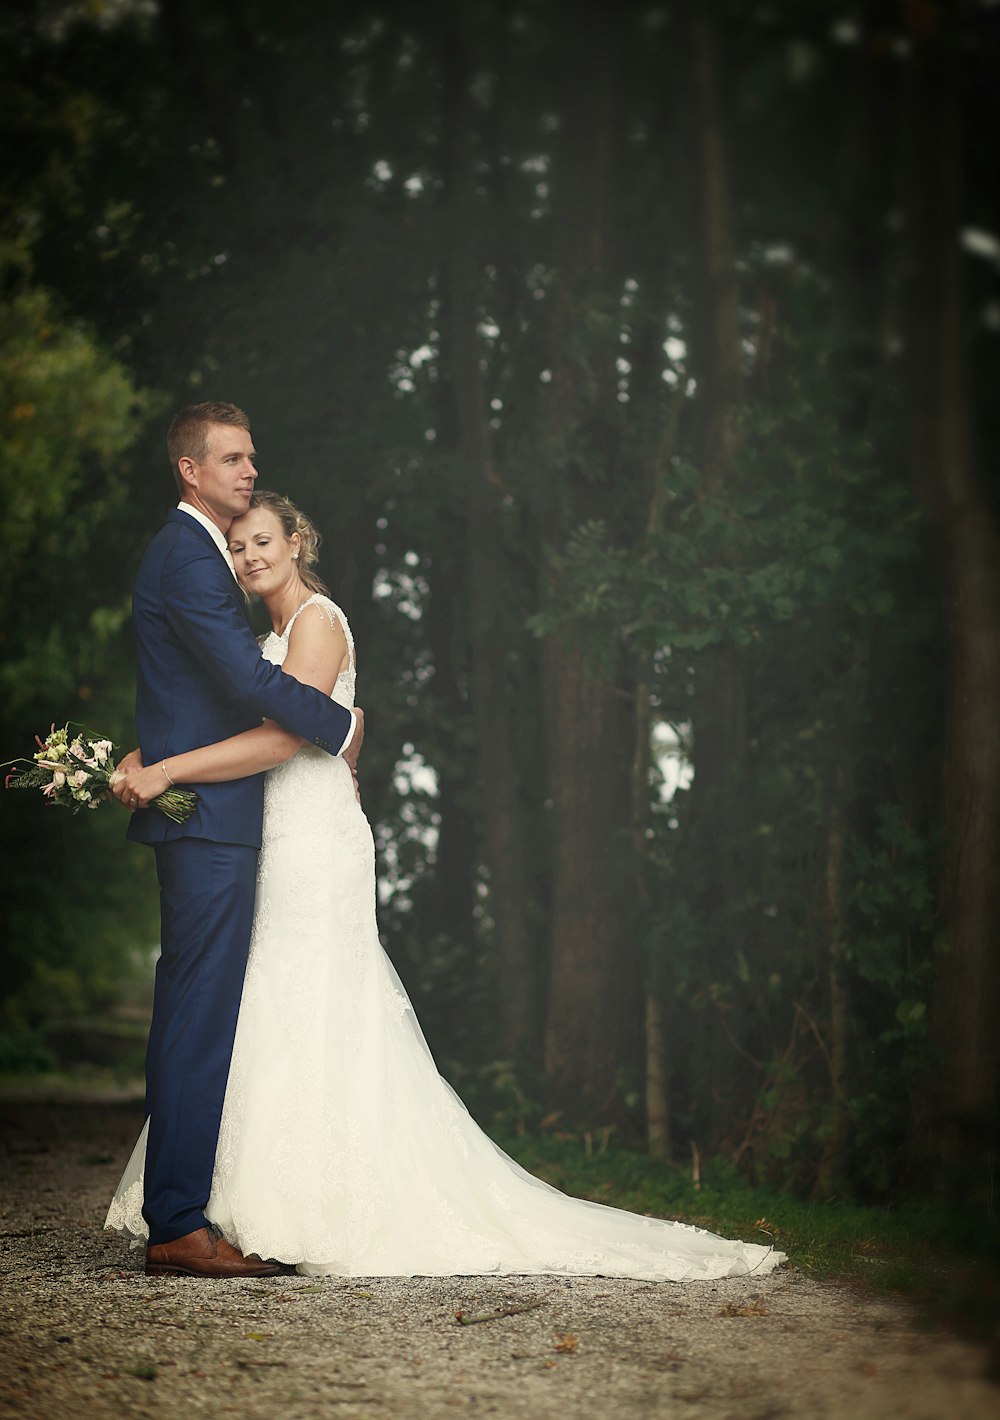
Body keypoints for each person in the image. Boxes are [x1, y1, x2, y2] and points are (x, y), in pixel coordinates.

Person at [107, 488, 784, 1283]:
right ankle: (252, 1201)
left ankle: (319, 1204)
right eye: (239, 546)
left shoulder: (320, 622)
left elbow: (285, 739)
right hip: (277, 839)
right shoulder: (269, 636)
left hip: (314, 844)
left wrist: (168, 771)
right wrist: (138, 759)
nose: (250, 555)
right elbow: (288, 725)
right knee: (272, 1004)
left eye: (263, 540)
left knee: (318, 1001)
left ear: (297, 542)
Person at [111, 406, 364, 1280]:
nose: (249, 470)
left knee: (208, 1010)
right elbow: (246, 680)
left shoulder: (201, 556)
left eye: (253, 457)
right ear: (191, 471)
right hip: (211, 822)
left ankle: (190, 1210)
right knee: (197, 1014)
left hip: (222, 816)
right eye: (232, 458)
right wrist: (339, 724)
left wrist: (159, 751)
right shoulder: (188, 556)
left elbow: (198, 686)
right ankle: (179, 1222)